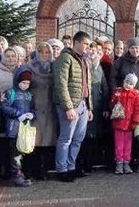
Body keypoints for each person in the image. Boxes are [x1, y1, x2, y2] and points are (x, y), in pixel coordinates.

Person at [53, 31, 93, 183]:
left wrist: (89, 107)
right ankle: (61, 170)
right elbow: (61, 84)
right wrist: (68, 107)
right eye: (85, 44)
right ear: (76, 43)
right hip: (70, 105)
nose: (87, 47)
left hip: (82, 104)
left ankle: (71, 167)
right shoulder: (65, 58)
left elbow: (87, 85)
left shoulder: (84, 60)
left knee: (78, 138)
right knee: (66, 138)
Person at [22, 42, 58, 181]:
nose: (44, 55)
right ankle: (31, 170)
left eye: (47, 52)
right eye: (41, 52)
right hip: (34, 108)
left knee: (48, 141)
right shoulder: (29, 67)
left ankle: (44, 170)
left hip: (50, 109)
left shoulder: (54, 67)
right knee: (33, 141)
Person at [0, 47, 21, 180]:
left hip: (16, 113)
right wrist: (1, 97)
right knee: (1, 143)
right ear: (3, 58)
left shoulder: (19, 71)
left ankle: (12, 170)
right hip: (1, 113)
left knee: (14, 144)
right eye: (8, 56)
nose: (11, 58)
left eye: (13, 56)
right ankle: (0, 172)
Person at [1, 68, 35, 187]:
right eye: (23, 83)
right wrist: (17, 114)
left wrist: (31, 114)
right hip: (13, 129)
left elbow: (33, 108)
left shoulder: (29, 94)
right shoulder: (11, 93)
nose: (25, 85)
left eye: (28, 83)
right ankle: (16, 176)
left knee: (24, 152)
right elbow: (4, 107)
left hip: (25, 129)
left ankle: (23, 174)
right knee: (15, 154)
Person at [81, 43, 110, 172]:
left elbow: (105, 88)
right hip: (85, 106)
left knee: (94, 135)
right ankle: (83, 163)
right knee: (84, 135)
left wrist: (105, 107)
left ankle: (91, 163)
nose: (93, 53)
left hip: (97, 107)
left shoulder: (99, 68)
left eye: (96, 51)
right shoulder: (83, 64)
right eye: (90, 50)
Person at [110, 73, 139, 175]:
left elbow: (137, 109)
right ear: (124, 82)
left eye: (131, 84)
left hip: (129, 124)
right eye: (127, 82)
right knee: (119, 144)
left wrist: (135, 121)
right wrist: (114, 98)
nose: (128, 85)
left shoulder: (135, 95)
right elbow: (111, 105)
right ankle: (119, 162)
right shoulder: (118, 92)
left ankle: (126, 162)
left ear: (134, 85)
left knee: (128, 145)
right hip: (119, 123)